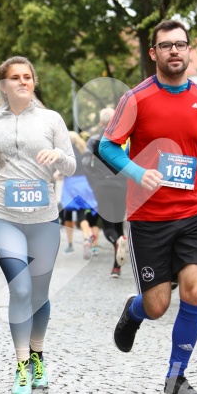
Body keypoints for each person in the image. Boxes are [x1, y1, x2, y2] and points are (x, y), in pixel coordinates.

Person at [99, 19, 197, 394]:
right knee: (158, 305)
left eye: (181, 44)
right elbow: (107, 146)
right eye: (166, 46)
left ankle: (176, 377)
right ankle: (134, 310)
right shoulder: (137, 98)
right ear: (154, 54)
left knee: (195, 292)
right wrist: (137, 171)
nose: (174, 51)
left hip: (194, 214)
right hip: (148, 218)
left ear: (189, 51)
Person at [0, 56, 76, 394]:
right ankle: (21, 365)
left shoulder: (51, 119)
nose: (23, 82)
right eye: (15, 78)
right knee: (19, 290)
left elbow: (72, 163)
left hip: (44, 219)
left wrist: (56, 156)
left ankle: (37, 355)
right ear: (3, 85)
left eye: (28, 76)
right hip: (3, 215)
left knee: (38, 293)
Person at [83, 108, 128, 278]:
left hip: (103, 186)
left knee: (108, 226)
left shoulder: (94, 139)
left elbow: (86, 163)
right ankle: (116, 267)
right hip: (122, 185)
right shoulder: (124, 138)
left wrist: (94, 182)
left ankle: (117, 242)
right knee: (118, 224)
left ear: (101, 122)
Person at [60, 130, 99, 259]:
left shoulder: (66, 153)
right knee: (83, 214)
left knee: (68, 215)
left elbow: (62, 170)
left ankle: (70, 245)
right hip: (83, 184)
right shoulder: (84, 152)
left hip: (70, 185)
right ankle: (87, 238)